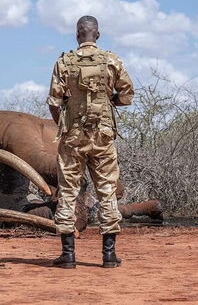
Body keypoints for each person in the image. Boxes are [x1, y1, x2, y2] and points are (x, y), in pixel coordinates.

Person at [47, 15, 134, 269]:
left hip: (73, 136)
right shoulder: (111, 60)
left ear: (77, 35)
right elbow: (127, 95)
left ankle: (68, 255)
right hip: (103, 135)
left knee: (68, 192)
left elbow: (54, 102)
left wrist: (63, 124)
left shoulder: (64, 62)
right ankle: (108, 255)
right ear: (97, 35)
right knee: (107, 191)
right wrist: (109, 102)